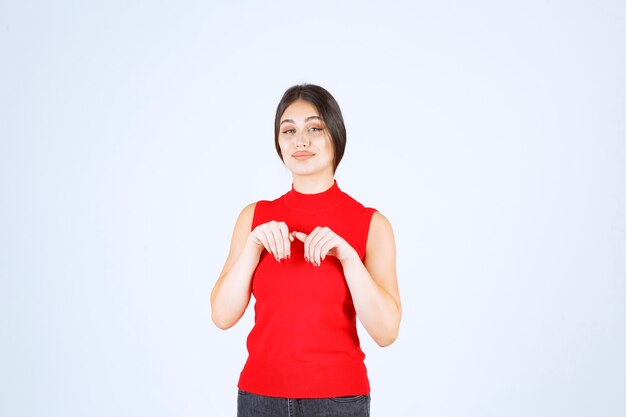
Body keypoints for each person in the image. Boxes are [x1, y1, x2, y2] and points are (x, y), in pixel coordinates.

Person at [210, 84, 401, 417]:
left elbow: (386, 332)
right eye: (289, 130)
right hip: (259, 398)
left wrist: (348, 258)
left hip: (338, 400)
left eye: (315, 128)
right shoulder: (254, 217)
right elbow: (222, 316)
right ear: (278, 142)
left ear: (336, 136)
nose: (301, 141)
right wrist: (253, 246)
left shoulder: (372, 224)